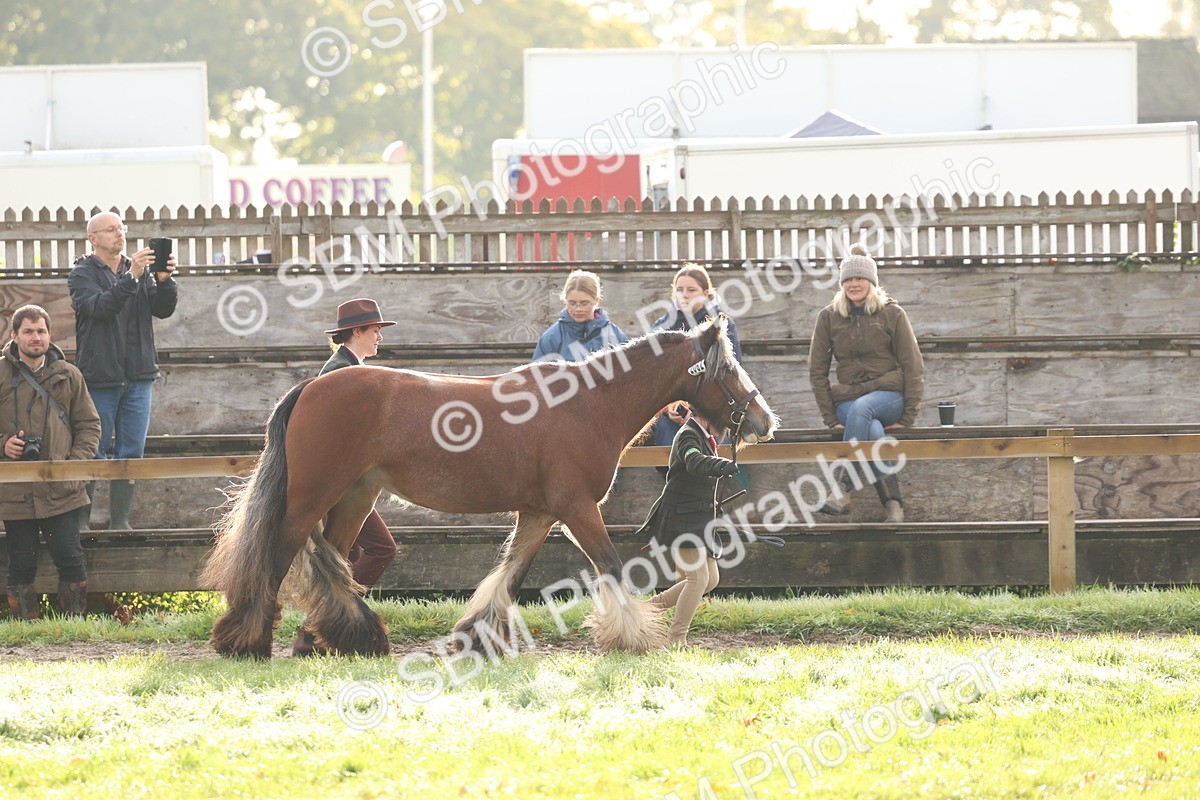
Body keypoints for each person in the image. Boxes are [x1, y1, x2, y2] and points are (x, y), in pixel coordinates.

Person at [293, 298, 399, 656]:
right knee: (380, 549)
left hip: (351, 484)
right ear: (356, 332)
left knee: (346, 555)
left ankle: (317, 632)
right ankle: (330, 621)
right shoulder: (339, 373)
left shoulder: (349, 369)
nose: (379, 338)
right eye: (375, 331)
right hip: (342, 487)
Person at [68, 211, 178, 531]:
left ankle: (120, 522)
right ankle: (81, 522)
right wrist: (132, 276)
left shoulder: (140, 270)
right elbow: (100, 307)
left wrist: (164, 280)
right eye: (112, 229)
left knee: (132, 452)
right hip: (100, 377)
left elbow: (163, 309)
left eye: (122, 228)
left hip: (139, 376)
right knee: (93, 449)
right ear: (93, 238)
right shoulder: (82, 273)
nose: (120, 234)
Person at [808, 245, 924, 523]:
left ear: (871, 282)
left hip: (889, 398)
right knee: (870, 429)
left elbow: (913, 365)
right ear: (841, 284)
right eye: (848, 279)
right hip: (848, 401)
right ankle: (893, 505)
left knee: (865, 411)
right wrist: (829, 417)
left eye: (859, 278)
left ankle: (842, 489)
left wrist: (908, 415)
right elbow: (816, 370)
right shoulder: (828, 317)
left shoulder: (892, 314)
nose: (853, 283)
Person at [2, 305, 102, 619]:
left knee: (70, 558)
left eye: (41, 331)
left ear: (50, 334)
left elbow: (89, 425)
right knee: (20, 562)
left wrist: (74, 468)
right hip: (15, 490)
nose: (36, 337)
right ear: (14, 335)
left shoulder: (70, 375)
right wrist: (3, 444)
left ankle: (73, 626)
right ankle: (24, 630)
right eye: (29, 331)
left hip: (62, 489)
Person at [637, 407, 739, 646]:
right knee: (697, 579)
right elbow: (694, 461)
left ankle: (644, 611)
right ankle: (676, 639)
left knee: (710, 580)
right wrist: (720, 465)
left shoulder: (702, 434)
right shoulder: (687, 435)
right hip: (682, 518)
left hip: (699, 518)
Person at [648, 264, 745, 476]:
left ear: (706, 293)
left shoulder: (721, 325)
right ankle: (674, 482)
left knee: (716, 433)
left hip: (713, 405)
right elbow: (653, 377)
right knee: (666, 429)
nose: (684, 295)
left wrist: (700, 412)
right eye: (679, 289)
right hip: (671, 406)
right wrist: (670, 406)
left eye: (691, 290)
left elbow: (731, 372)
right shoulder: (662, 326)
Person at [531, 270, 628, 361]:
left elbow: (628, 373)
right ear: (565, 300)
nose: (578, 309)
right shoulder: (552, 337)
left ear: (596, 300)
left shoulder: (615, 335)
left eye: (584, 303)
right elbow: (536, 374)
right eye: (572, 303)